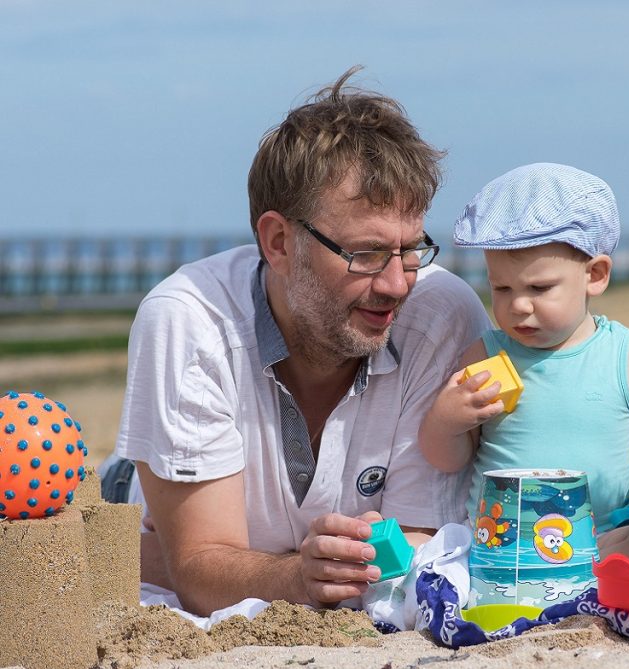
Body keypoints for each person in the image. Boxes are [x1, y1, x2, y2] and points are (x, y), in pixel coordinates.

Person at [113, 67, 492, 617]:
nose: (396, 284)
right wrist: (296, 574)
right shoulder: (187, 322)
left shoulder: (440, 318)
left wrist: (255, 566)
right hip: (142, 490)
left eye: (411, 249)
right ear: (279, 242)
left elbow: (420, 547)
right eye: (365, 253)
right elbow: (198, 572)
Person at [418, 163, 629, 563]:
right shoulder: (487, 356)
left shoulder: (627, 355)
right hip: (503, 543)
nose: (516, 305)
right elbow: (449, 459)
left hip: (600, 538)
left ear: (595, 276)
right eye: (500, 288)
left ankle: (589, 587)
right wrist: (447, 421)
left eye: (539, 288)